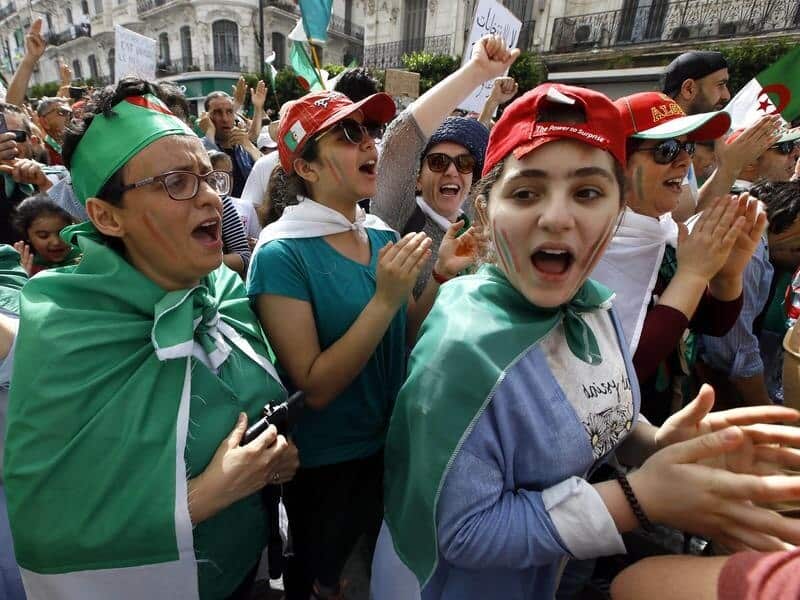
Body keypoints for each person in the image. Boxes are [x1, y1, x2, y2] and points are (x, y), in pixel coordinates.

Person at [371, 81, 800, 600]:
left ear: (618, 211)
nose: (557, 218)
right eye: (526, 193)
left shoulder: (594, 303)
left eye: (588, 193)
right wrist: (638, 498)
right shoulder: (461, 347)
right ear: (484, 213)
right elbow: (460, 531)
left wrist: (656, 442)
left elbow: (586, 406)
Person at [4, 78, 299, 599]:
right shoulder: (64, 330)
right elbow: (52, 526)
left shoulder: (221, 288)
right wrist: (205, 495)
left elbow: (257, 408)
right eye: (177, 182)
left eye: (206, 177)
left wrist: (272, 459)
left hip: (243, 571)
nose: (210, 197)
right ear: (106, 216)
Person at [247, 35, 492, 594]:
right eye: (348, 135)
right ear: (305, 167)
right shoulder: (281, 253)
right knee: (330, 583)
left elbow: (404, 331)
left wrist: (439, 276)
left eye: (369, 132)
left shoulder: (379, 233)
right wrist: (384, 298)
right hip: (328, 468)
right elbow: (314, 387)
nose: (370, 144)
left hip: (393, 446)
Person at [591, 91, 756, 424]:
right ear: (617, 162)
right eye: (666, 150)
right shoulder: (594, 244)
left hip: (664, 417)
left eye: (687, 148)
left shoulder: (665, 230)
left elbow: (712, 323)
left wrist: (728, 275)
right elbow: (620, 373)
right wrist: (692, 276)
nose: (684, 162)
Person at [697, 131, 800, 407]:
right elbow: (732, 348)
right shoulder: (748, 248)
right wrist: (768, 412)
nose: (794, 155)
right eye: (784, 148)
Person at [370, 75, 494, 296]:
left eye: (464, 163)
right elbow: (400, 139)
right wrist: (478, 71)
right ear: (417, 179)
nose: (452, 171)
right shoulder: (400, 216)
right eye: (438, 162)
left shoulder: (475, 220)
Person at [201, 91, 260, 196]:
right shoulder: (199, 148)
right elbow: (216, 184)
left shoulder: (243, 148)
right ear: (206, 118)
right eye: (217, 112)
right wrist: (210, 136)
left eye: (229, 112)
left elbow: (270, 173)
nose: (225, 119)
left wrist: (249, 146)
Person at [207, 150, 253, 274]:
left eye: (229, 175)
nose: (223, 181)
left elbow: (245, 257)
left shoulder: (223, 202)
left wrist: (200, 264)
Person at [11, 193, 79, 275]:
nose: (56, 242)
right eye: (43, 236)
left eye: (62, 233)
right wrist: (21, 277)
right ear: (27, 236)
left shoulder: (85, 258)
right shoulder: (21, 268)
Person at [35, 97, 71, 166]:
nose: (69, 117)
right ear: (45, 122)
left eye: (70, 113)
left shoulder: (75, 146)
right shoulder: (41, 153)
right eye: (63, 112)